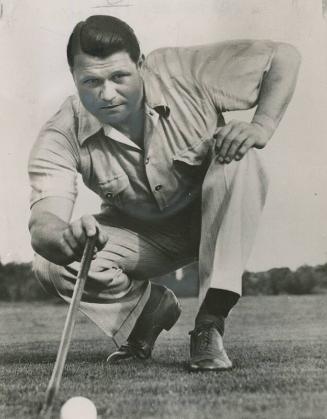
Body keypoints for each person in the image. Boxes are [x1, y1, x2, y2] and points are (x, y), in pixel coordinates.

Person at [28, 15, 300, 371]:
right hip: (146, 239)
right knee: (49, 263)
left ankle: (210, 324)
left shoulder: (182, 70)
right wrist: (62, 237)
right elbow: (42, 222)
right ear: (73, 77)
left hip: (212, 214)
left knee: (241, 155)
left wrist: (262, 124)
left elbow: (283, 57)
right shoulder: (62, 132)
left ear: (141, 65)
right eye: (91, 81)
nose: (107, 94)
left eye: (119, 77)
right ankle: (148, 309)